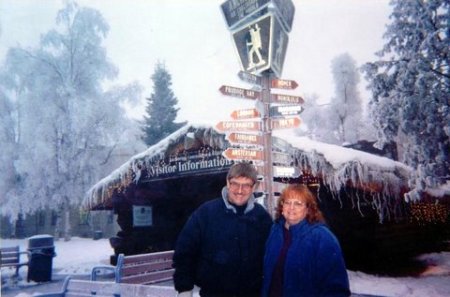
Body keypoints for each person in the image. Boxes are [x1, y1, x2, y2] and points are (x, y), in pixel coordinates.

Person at [173, 162, 273, 297]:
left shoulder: (262, 217)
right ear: (227, 182)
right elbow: (185, 252)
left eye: (246, 185)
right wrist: (184, 289)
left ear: (254, 187)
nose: (239, 190)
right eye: (235, 183)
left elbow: (274, 255)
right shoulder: (206, 213)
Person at [262, 184, 350, 297]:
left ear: (308, 209)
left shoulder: (322, 237)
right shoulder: (275, 231)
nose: (291, 207)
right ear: (281, 206)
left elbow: (336, 288)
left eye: (298, 204)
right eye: (287, 202)